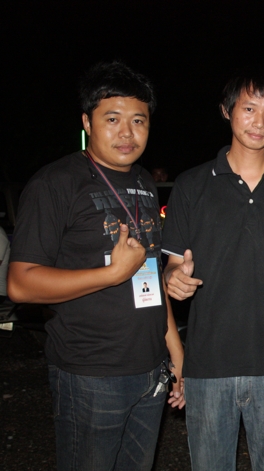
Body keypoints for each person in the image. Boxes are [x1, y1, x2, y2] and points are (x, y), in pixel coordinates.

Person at [7, 61, 185, 471]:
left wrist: (175, 350)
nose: (127, 133)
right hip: (91, 374)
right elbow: (21, 284)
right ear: (87, 122)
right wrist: (111, 274)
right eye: (112, 119)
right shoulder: (55, 183)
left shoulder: (143, 181)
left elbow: (148, 272)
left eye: (138, 120)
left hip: (151, 367)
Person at [161, 67, 264, 471]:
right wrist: (173, 279)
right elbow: (169, 268)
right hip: (207, 367)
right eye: (249, 108)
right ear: (227, 110)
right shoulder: (191, 185)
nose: (259, 121)